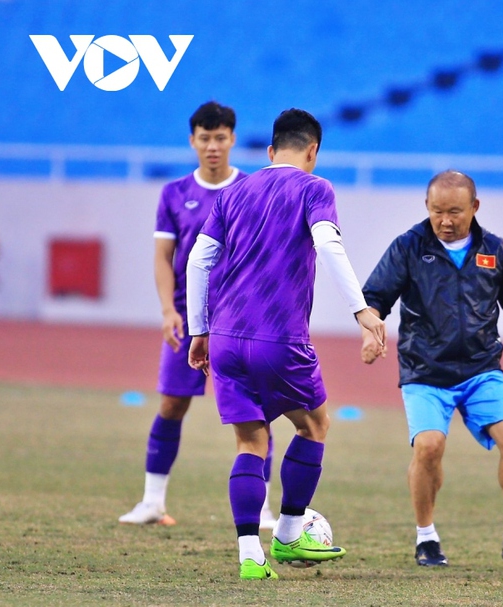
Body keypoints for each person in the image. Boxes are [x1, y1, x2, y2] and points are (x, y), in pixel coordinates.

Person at [184, 108, 387, 580]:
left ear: (271, 151)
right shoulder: (315, 188)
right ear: (313, 151)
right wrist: (361, 310)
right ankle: (292, 531)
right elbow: (327, 245)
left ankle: (250, 558)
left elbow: (198, 260)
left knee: (250, 441)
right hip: (278, 339)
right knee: (314, 425)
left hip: (226, 339)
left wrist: (200, 330)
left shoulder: (233, 192)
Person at [360, 170, 503, 567]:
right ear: (427, 207)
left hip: (480, 368)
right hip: (425, 370)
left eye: (455, 211)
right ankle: (426, 539)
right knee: (429, 446)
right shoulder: (408, 247)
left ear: (474, 208)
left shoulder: (496, 251)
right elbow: (374, 297)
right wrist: (372, 331)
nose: (446, 220)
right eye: (437, 211)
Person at [119, 101, 277, 530]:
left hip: (241, 320)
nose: (212, 146)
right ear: (193, 141)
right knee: (172, 403)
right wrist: (168, 309)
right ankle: (152, 501)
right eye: (204, 138)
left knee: (256, 412)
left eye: (220, 137)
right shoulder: (174, 193)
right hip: (188, 319)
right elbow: (162, 256)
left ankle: (261, 508)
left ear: (232, 139)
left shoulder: (251, 189)